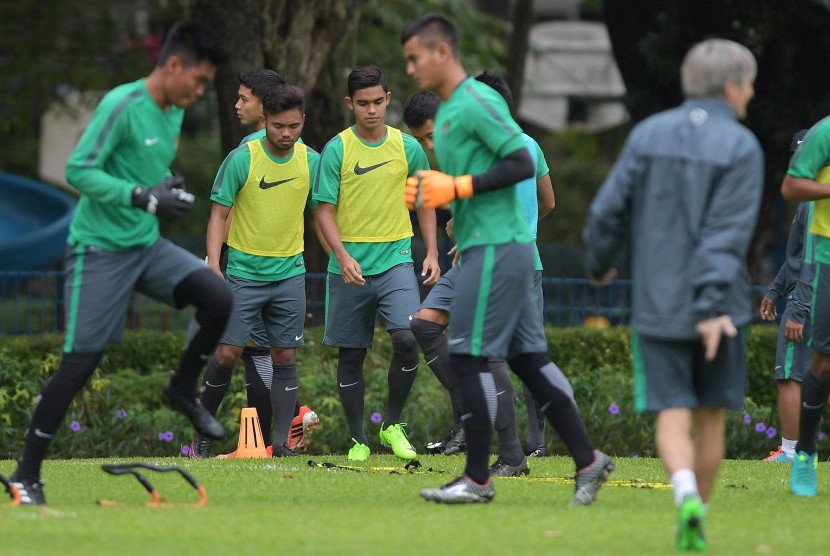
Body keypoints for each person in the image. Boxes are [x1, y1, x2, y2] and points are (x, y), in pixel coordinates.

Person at [8, 22, 232, 505]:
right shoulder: (122, 104)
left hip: (145, 246)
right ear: (173, 65)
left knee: (218, 298)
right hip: (100, 249)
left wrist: (166, 190)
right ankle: (26, 476)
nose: (199, 92)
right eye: (197, 81)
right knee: (81, 362)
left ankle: (181, 390)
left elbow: (146, 174)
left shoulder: (173, 111)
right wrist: (140, 196)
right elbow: (78, 170)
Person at [402, 13, 613, 506]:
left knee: (472, 355)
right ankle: (589, 460)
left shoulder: (478, 101)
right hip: (484, 245)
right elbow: (478, 181)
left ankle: (477, 479)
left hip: (501, 249)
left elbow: (520, 160)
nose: (410, 68)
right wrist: (447, 201)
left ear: (441, 52)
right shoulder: (451, 116)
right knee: (528, 359)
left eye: (415, 57)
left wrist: (455, 187)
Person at [584, 39, 762, 550]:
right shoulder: (742, 146)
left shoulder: (647, 134)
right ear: (730, 86)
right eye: (748, 83)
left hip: (659, 305)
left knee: (672, 414)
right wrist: (710, 307)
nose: (751, 93)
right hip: (721, 309)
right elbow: (725, 236)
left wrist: (599, 266)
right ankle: (697, 515)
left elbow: (605, 213)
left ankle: (681, 491)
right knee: (710, 417)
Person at [404, 79, 557, 476]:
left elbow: (513, 199)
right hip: (474, 259)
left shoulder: (512, 147)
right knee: (424, 324)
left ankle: (520, 452)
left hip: (508, 262)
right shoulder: (471, 148)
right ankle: (472, 415)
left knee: (511, 356)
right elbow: (543, 202)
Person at [190, 70, 320, 459]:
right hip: (243, 273)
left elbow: (324, 212)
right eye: (280, 126)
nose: (286, 133)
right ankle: (205, 435)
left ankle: (278, 442)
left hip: (288, 274)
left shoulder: (311, 160)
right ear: (268, 120)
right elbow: (221, 213)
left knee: (274, 355)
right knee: (232, 352)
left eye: (293, 126)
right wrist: (215, 261)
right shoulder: (244, 155)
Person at [781, 119, 830, 496]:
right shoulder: (824, 132)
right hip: (827, 259)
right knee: (823, 363)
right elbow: (792, 185)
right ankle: (805, 453)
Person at [759, 131, 814, 463]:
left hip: (809, 298)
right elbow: (796, 257)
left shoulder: (813, 203)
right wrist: (776, 290)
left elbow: (810, 260)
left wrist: (798, 308)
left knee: (790, 375)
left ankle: (791, 452)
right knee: (822, 374)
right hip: (813, 294)